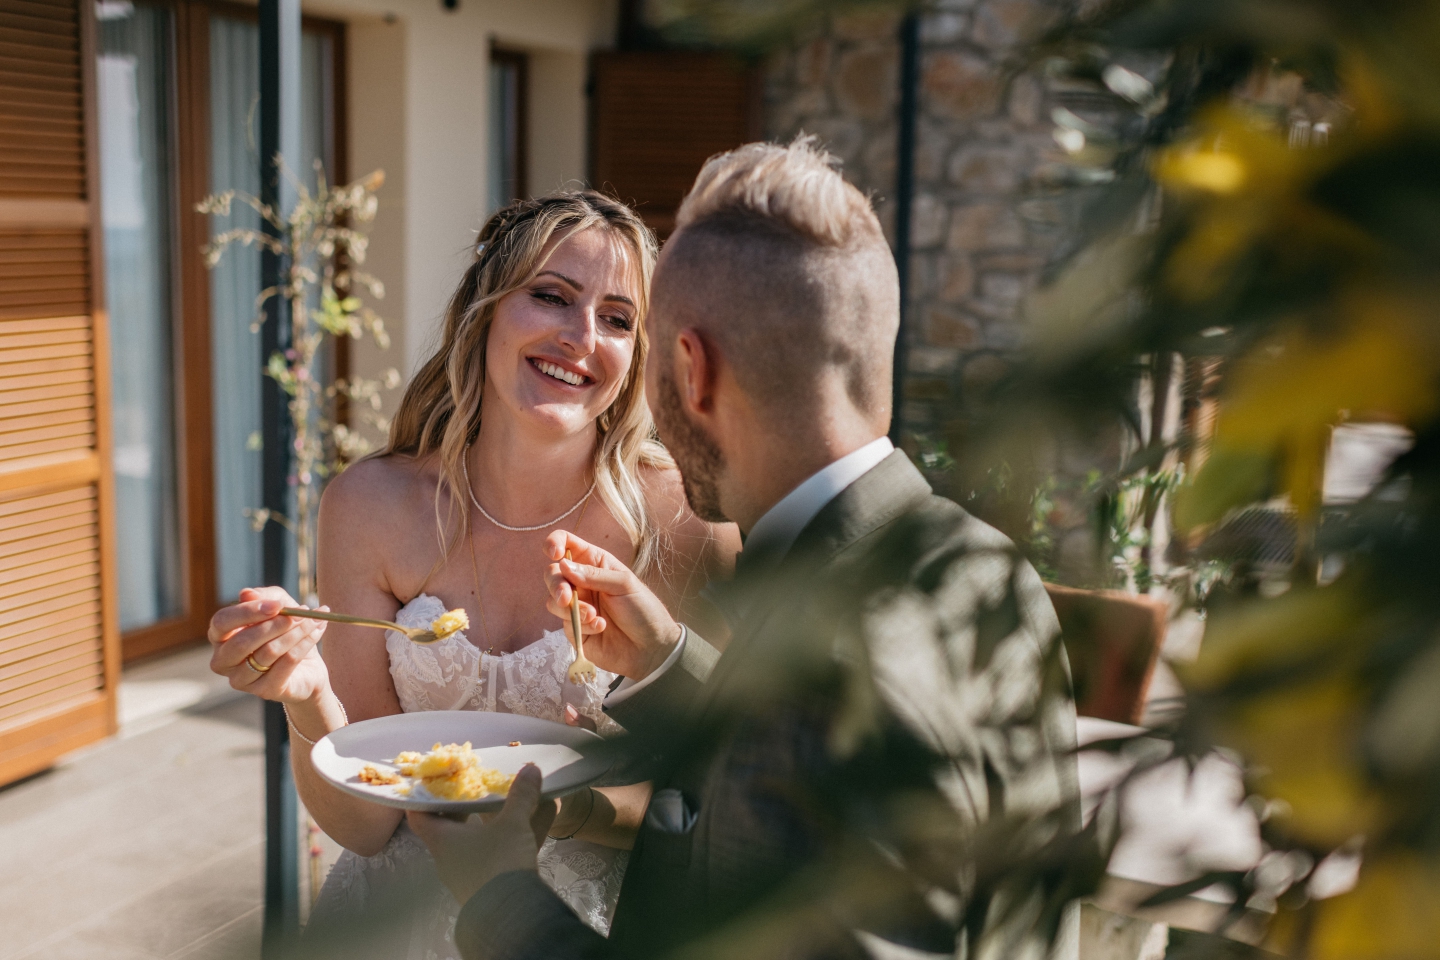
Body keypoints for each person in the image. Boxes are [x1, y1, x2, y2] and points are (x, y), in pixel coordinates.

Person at [406, 139, 1082, 960]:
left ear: (691, 372)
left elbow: (808, 736)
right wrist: (666, 662)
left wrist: (497, 894)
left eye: (637, 338)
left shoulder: (828, 677)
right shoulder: (982, 565)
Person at [204, 191, 739, 958]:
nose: (581, 336)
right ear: (484, 311)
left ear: (638, 355)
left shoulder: (688, 521)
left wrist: (570, 810)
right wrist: (307, 694)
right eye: (551, 296)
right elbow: (364, 823)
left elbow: (712, 807)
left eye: (618, 319)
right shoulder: (370, 505)